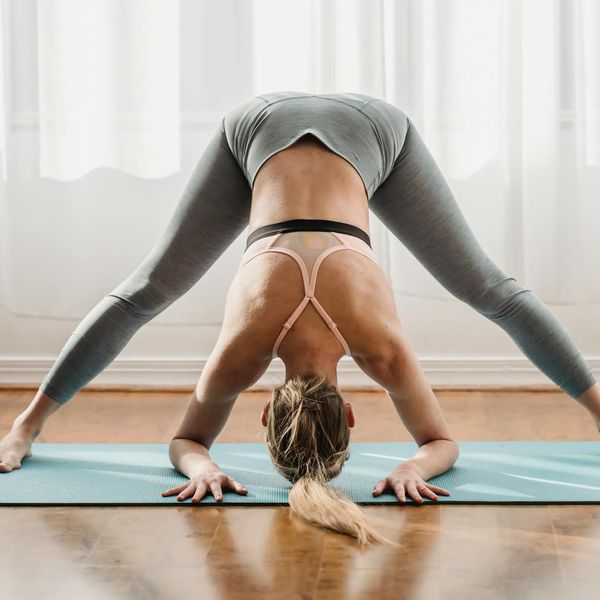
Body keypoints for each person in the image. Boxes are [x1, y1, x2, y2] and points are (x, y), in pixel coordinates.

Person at [1, 91, 598, 547]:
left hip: (364, 128)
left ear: (353, 413)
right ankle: (24, 427)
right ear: (264, 410)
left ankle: (25, 426)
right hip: (262, 127)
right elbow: (185, 441)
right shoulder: (244, 352)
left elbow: (441, 443)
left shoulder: (379, 351)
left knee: (148, 290)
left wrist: (413, 464)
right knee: (147, 291)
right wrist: (204, 462)